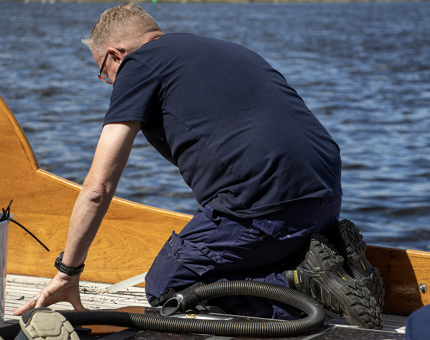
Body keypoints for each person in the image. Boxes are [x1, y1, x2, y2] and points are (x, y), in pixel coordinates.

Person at [13, 1, 384, 331]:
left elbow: (98, 188)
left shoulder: (137, 64)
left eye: (104, 73)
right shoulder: (221, 49)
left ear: (115, 54)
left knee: (167, 285)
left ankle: (299, 283)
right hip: (326, 198)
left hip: (265, 211)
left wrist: (68, 272)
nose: (108, 83)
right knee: (235, 236)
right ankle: (338, 264)